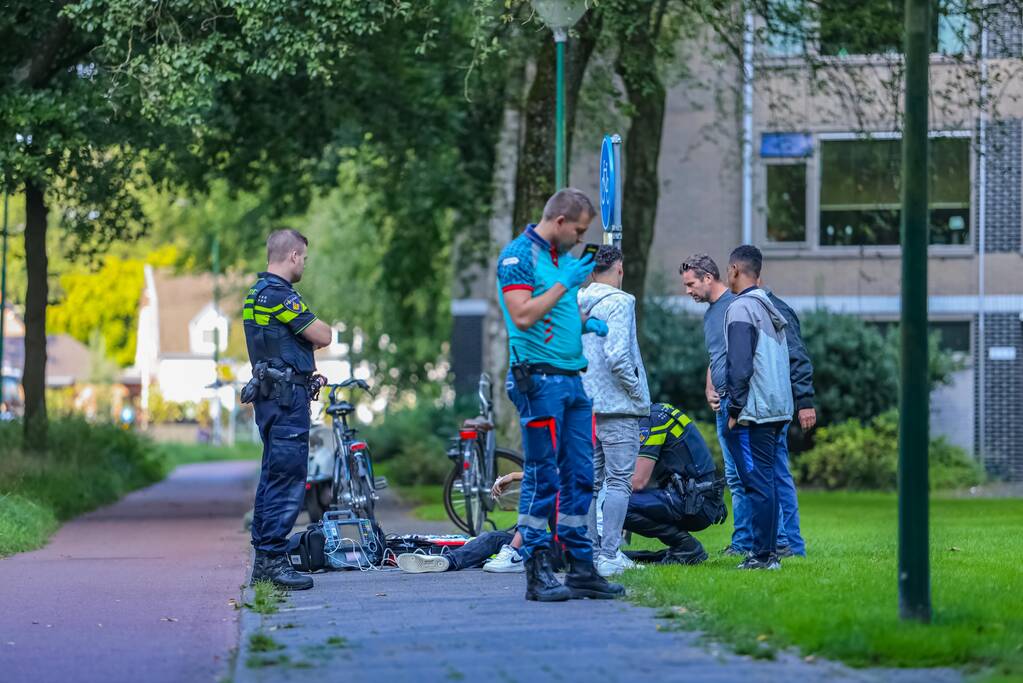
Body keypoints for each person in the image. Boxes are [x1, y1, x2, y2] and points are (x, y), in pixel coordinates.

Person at [497, 188, 624, 602]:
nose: (579, 238)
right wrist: (565, 285)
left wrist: (586, 322)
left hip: (572, 382)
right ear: (560, 222)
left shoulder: (561, 260)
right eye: (579, 230)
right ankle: (536, 571)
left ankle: (582, 569)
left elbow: (560, 312)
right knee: (542, 476)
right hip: (539, 383)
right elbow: (522, 314)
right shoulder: (518, 257)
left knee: (580, 478)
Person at [243, 228, 334, 590]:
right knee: (287, 479)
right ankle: (273, 562)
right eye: (304, 258)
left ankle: (264, 557)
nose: (304, 265)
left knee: (271, 477)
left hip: (271, 398)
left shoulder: (254, 294)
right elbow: (323, 335)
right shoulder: (280, 296)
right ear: (293, 256)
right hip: (285, 401)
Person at [577, 245, 650, 577]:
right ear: (618, 269)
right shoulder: (621, 302)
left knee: (589, 483)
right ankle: (609, 554)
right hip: (619, 407)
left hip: (585, 406)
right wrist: (637, 392)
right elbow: (618, 356)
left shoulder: (577, 301)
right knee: (619, 481)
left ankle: (591, 553)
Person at [722, 245, 793, 570]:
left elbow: (740, 365)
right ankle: (771, 552)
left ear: (735, 269)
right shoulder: (769, 307)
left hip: (753, 412)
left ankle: (762, 556)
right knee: (768, 482)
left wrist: (734, 410)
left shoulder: (741, 309)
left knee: (756, 483)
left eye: (728, 269)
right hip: (777, 410)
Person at [680, 254, 748, 557]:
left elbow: (742, 355)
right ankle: (745, 541)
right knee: (734, 476)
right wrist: (710, 386)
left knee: (746, 475)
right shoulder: (710, 314)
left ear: (709, 277)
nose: (688, 291)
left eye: (691, 284)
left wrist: (734, 398)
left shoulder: (734, 305)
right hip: (722, 403)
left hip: (738, 403)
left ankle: (749, 543)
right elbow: (717, 355)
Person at [625, 403, 727, 564]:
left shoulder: (650, 420)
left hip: (695, 504)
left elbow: (638, 482)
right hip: (700, 498)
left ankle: (685, 546)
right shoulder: (658, 412)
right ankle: (683, 547)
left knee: (618, 504)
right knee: (618, 499)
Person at [762, 285, 816, 557]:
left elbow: (797, 356)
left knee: (777, 474)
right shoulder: (753, 306)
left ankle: (792, 544)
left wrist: (804, 401)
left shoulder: (775, 308)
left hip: (773, 408)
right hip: (765, 406)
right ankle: (778, 541)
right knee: (771, 475)